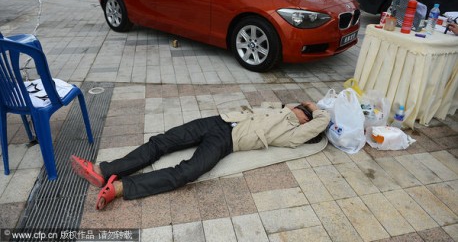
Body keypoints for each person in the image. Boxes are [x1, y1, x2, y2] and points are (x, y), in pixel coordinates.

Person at [71, 101, 330, 210]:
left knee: (189, 172)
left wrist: (317, 110)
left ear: (306, 121)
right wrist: (301, 105)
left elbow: (323, 121)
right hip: (218, 121)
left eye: (304, 110)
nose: (299, 108)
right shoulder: (279, 108)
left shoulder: (292, 134)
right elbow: (294, 104)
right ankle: (103, 171)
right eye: (300, 106)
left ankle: (119, 187)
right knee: (162, 142)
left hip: (226, 141)